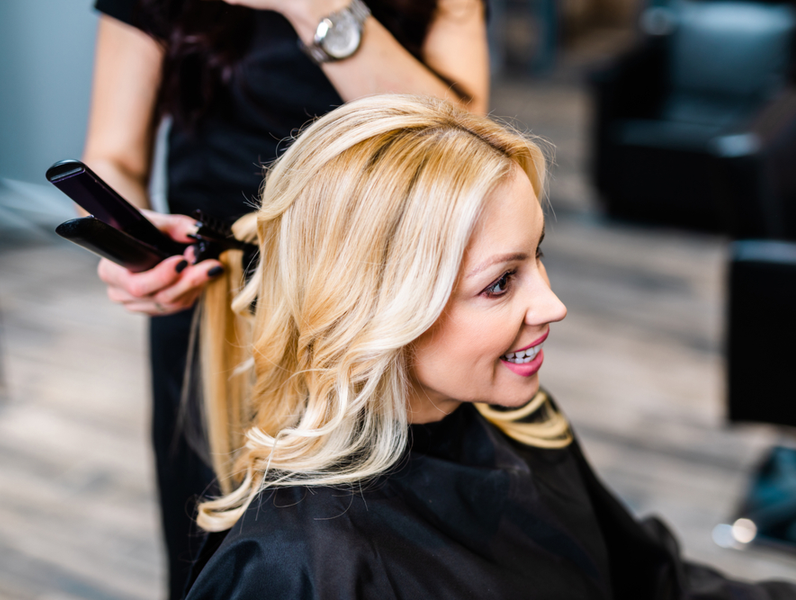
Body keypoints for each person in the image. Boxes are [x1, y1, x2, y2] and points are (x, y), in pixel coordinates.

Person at [184, 94, 796, 599]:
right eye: (500, 283)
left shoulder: (525, 420)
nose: (554, 305)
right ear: (377, 311)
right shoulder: (299, 569)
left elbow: (653, 585)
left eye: (538, 255)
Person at [81, 1, 489, 597]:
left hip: (384, 298)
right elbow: (112, 154)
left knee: (398, 545)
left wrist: (316, 8)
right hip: (218, 303)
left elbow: (462, 148)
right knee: (219, 538)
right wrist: (131, 241)